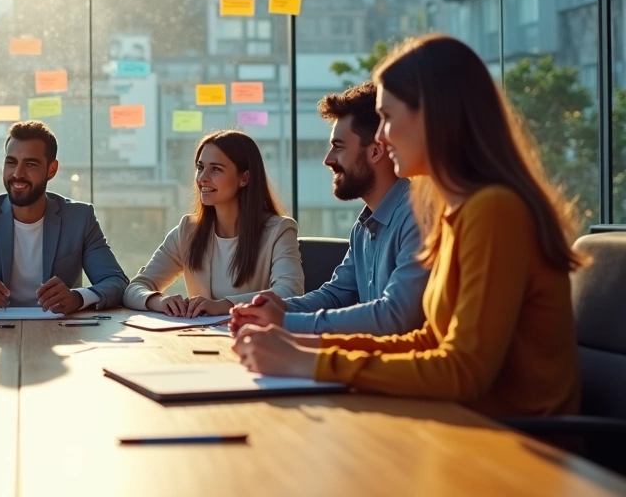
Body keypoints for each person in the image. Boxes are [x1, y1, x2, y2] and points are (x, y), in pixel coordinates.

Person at [234, 34, 583, 417]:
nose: (381, 137)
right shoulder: (457, 210)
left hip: (520, 450)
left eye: (387, 117)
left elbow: (463, 372)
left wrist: (309, 362)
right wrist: (301, 348)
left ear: (432, 116)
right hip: (464, 427)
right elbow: (429, 340)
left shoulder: (494, 210)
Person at [229, 82, 428, 335]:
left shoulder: (417, 217)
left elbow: (395, 316)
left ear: (376, 151)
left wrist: (284, 322)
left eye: (339, 146)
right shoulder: (364, 227)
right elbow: (335, 295)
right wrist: (274, 309)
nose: (328, 159)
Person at [0, 121, 128, 313]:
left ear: (51, 170)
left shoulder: (79, 218)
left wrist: (77, 298)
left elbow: (116, 282)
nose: (17, 174)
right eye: (11, 162)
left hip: (60, 329)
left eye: (31, 164)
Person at [123, 130, 303, 317]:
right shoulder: (188, 230)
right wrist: (160, 301)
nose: (202, 178)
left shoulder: (279, 231)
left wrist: (222, 306)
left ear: (244, 178)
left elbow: (289, 293)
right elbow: (134, 289)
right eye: (200, 167)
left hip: (254, 340)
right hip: (201, 340)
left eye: (216, 169)